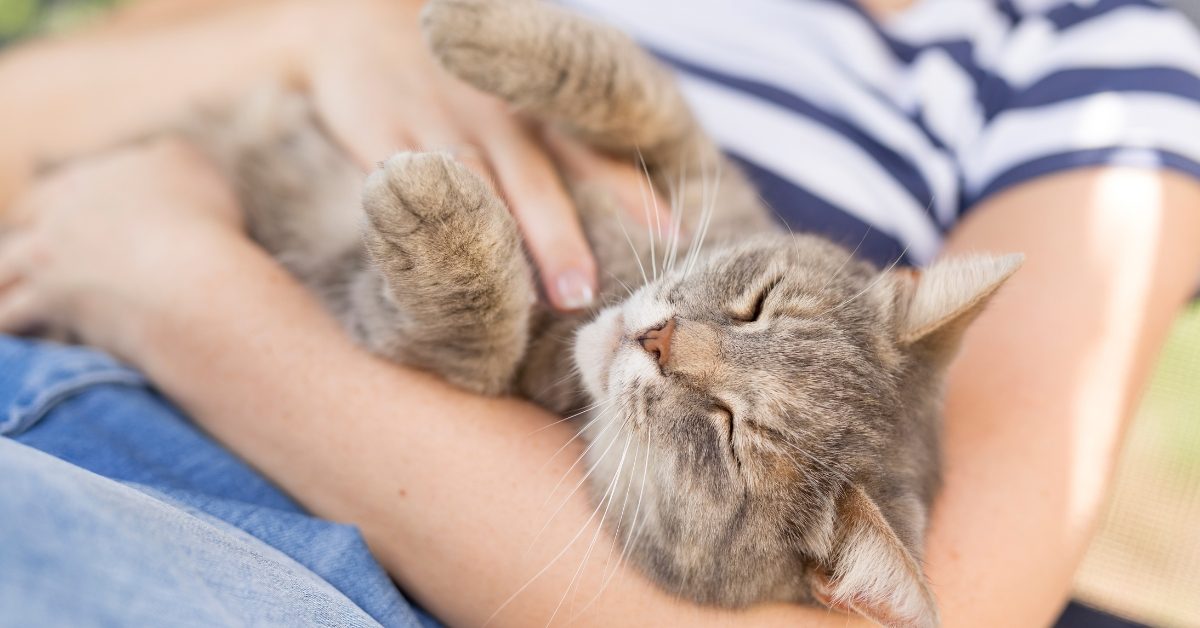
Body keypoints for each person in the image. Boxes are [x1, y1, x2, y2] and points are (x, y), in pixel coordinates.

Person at [3, 0, 1200, 625]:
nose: (675, 340)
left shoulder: (1096, 64)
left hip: (273, 545)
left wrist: (183, 293)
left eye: (729, 425)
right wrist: (315, 29)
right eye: (753, 302)